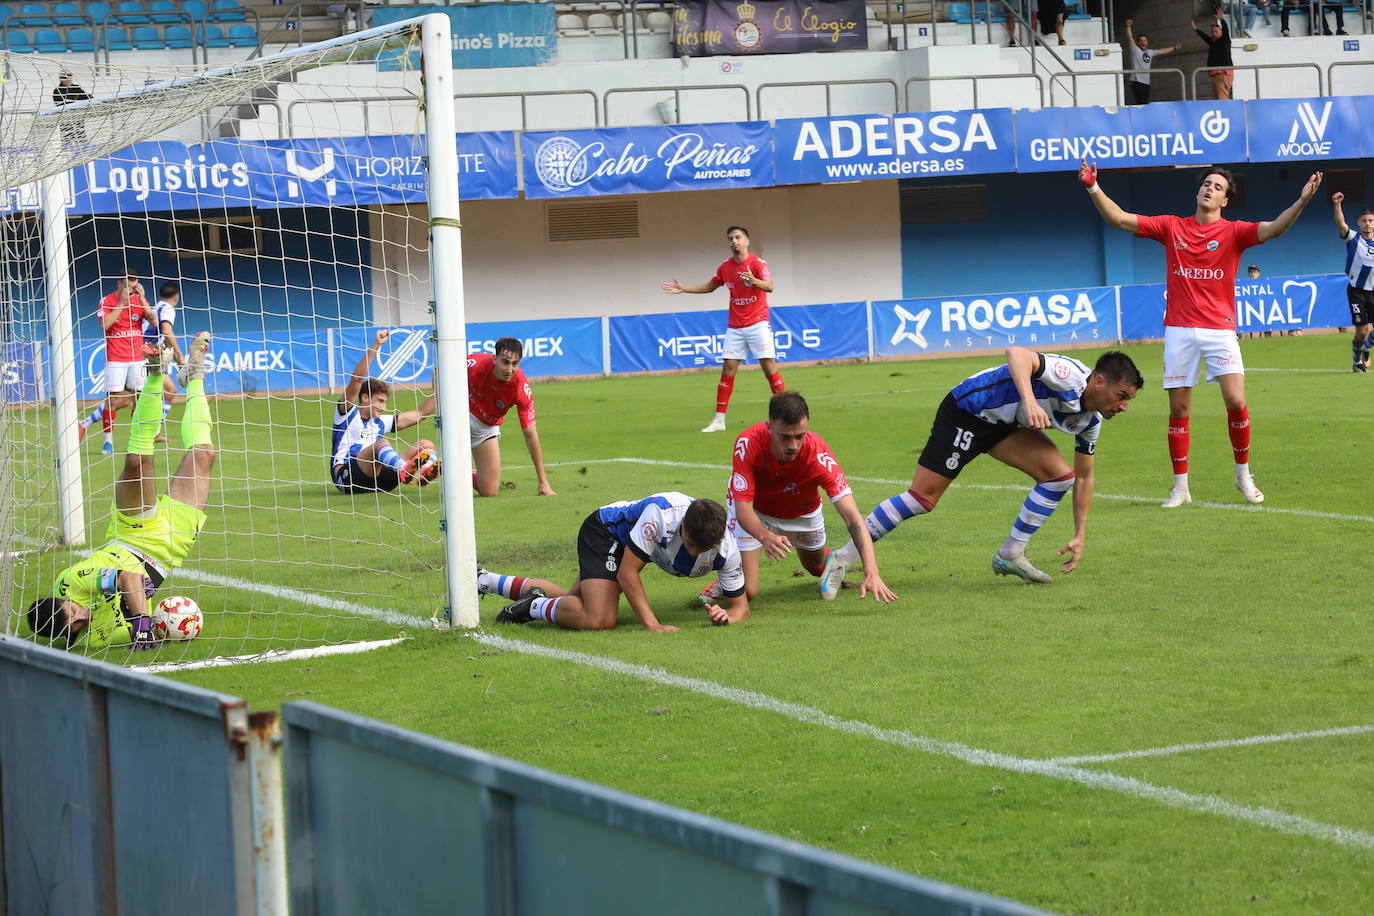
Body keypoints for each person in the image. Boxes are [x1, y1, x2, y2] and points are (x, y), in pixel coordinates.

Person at [1079, 157, 1323, 507]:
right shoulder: (1171, 227)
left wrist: (1301, 201)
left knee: (1236, 401)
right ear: (1198, 191)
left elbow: (1273, 229)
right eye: (1206, 184)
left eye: (1218, 187)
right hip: (1178, 330)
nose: (1210, 189)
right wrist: (1092, 185)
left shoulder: (1234, 232)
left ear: (1225, 200)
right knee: (1179, 410)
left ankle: (1243, 476)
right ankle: (1180, 487)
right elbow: (1118, 218)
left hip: (1220, 330)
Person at [821, 349, 1141, 589]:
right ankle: (841, 559)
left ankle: (1011, 553)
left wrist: (1080, 534)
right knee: (922, 499)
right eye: (1121, 396)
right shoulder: (1068, 374)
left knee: (1059, 478)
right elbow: (1017, 354)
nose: (1124, 407)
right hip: (967, 411)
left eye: (1129, 401)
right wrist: (1029, 401)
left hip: (1005, 426)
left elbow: (1085, 476)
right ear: (1099, 382)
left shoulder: (1090, 421)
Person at [27, 333, 214, 651]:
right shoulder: (97, 638)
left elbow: (127, 577)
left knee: (136, 462)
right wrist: (158, 624)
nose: (81, 617)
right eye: (74, 624)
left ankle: (155, 373)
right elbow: (152, 623)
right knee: (204, 455)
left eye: (73, 610)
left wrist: (141, 624)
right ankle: (194, 378)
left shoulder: (69, 582)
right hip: (167, 550)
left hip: (131, 535)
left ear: (63, 600)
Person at [703, 391, 895, 605]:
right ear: (769, 428)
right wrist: (765, 536)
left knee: (815, 567)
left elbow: (853, 517)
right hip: (755, 510)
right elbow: (743, 509)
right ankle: (730, 576)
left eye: (800, 436)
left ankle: (835, 561)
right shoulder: (748, 443)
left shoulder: (819, 456)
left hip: (802, 511)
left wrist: (871, 571)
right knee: (747, 590)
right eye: (785, 437)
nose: (793, 445)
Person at [483, 493, 749, 630]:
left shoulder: (727, 547)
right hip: (607, 532)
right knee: (599, 618)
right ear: (681, 526)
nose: (694, 555)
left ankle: (484, 580)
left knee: (571, 603)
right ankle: (534, 606)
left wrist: (727, 616)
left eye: (703, 550)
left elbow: (741, 608)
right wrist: (653, 625)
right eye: (690, 545)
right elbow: (628, 573)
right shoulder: (661, 516)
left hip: (629, 546)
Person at [660, 226, 786, 433]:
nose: (734, 241)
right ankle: (719, 420)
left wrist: (753, 280)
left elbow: (769, 286)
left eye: (738, 237)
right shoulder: (725, 267)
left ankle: (785, 416)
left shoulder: (757, 263)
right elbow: (711, 286)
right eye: (730, 239)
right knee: (728, 368)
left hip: (758, 323)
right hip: (735, 326)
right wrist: (684, 289)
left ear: (747, 241)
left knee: (768, 367)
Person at [330, 329, 440, 493]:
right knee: (380, 444)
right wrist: (376, 345)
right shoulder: (346, 413)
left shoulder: (380, 422)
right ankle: (404, 469)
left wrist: (441, 391)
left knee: (426, 445)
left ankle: (426, 472)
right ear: (365, 398)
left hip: (380, 481)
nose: (384, 407)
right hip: (347, 477)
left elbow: (420, 414)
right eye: (380, 401)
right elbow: (357, 379)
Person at [467, 336, 555, 497]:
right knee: (421, 414)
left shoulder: (520, 388)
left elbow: (530, 435)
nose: (509, 369)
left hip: (485, 428)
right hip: (462, 415)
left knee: (489, 491)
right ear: (495, 359)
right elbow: (442, 370)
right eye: (505, 362)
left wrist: (543, 481)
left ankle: (448, 468)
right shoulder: (475, 363)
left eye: (515, 364)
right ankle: (423, 452)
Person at [78, 269, 149, 455]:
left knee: (139, 399)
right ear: (119, 283)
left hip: (137, 358)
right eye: (127, 284)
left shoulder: (139, 300)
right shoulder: (107, 300)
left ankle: (137, 440)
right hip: (116, 358)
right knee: (113, 400)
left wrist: (142, 301)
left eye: (134, 284)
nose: (131, 288)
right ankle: (107, 443)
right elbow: (104, 325)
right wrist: (122, 303)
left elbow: (154, 321)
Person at [1332, 192, 1374, 373]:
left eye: (1371, 221)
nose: (1367, 224)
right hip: (1357, 291)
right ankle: (1356, 362)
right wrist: (1337, 205)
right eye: (1364, 221)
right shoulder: (1353, 238)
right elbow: (1341, 224)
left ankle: (1365, 349)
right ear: (1359, 222)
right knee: (1362, 331)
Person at [1124, 19, 1181, 106]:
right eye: (1141, 41)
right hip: (1137, 81)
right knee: (1140, 103)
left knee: (1146, 103)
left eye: (1145, 40)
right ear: (1138, 43)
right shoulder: (1135, 50)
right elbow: (1130, 38)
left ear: (1147, 42)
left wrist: (1174, 48)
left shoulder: (1149, 52)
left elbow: (1161, 51)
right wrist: (1128, 27)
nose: (1143, 42)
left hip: (1146, 82)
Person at [1192, 9, 1234, 100]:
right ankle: (1224, 112)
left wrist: (1222, 20)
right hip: (1217, 74)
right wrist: (1196, 29)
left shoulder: (1224, 40)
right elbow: (1205, 37)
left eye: (1216, 32)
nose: (1213, 34)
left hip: (1223, 73)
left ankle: (1225, 113)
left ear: (1221, 33)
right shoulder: (1213, 43)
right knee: (1218, 98)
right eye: (1212, 32)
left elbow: (1226, 31)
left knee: (1221, 98)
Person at [52, 70, 91, 147]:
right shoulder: (57, 91)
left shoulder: (76, 88)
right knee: (66, 143)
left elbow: (89, 98)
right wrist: (76, 101)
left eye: (70, 78)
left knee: (81, 141)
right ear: (61, 79)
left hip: (78, 119)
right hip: (66, 120)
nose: (68, 80)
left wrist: (76, 101)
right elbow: (60, 104)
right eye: (66, 78)